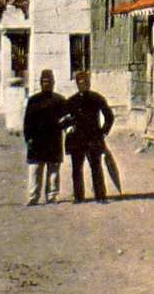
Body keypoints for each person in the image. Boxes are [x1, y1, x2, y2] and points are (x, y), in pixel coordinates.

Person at [64, 69, 116, 203]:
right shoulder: (72, 101)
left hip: (93, 138)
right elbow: (65, 120)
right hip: (78, 139)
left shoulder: (96, 98)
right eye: (81, 83)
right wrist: (68, 128)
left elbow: (109, 116)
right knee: (77, 168)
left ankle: (100, 196)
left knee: (96, 167)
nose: (84, 85)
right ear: (77, 84)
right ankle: (78, 197)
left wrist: (103, 131)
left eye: (86, 82)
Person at [23, 68, 67, 205]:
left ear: (53, 83)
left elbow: (67, 118)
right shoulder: (34, 100)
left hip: (54, 140)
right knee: (35, 169)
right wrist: (28, 137)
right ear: (40, 83)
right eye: (44, 81)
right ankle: (33, 196)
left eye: (49, 81)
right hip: (37, 140)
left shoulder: (59, 100)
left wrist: (65, 124)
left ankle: (52, 196)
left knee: (53, 169)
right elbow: (27, 121)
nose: (46, 84)